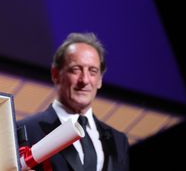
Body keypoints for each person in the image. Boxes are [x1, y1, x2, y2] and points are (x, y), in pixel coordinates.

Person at [17, 33, 129, 171]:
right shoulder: (26, 129)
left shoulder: (119, 141)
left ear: (100, 80)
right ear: (56, 74)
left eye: (93, 71)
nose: (85, 80)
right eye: (76, 69)